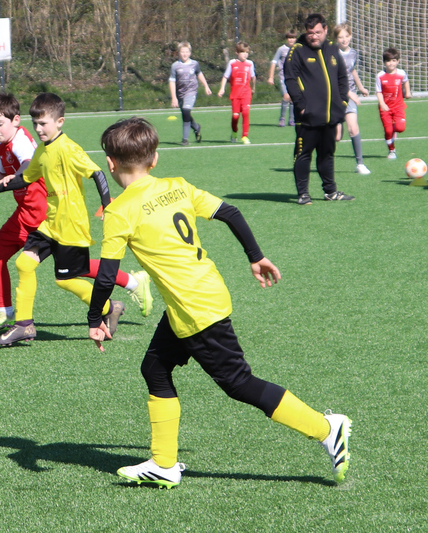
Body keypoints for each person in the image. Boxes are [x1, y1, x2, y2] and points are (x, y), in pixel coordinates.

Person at [88, 116, 352, 488]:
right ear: (155, 158)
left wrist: (95, 317)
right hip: (198, 297)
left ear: (110, 163)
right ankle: (163, 464)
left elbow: (105, 275)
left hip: (195, 309)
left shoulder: (119, 211)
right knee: (155, 368)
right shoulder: (177, 186)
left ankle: (326, 428)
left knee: (238, 383)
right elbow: (230, 212)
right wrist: (256, 256)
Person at [0, 94, 153, 333]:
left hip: (60, 220)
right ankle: (17, 321)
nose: (38, 129)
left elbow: (93, 173)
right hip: (40, 220)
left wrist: (107, 205)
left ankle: (115, 301)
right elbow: (22, 176)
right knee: (18, 261)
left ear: (59, 122)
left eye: (43, 123)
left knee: (69, 276)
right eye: (35, 123)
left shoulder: (52, 146)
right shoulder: (35, 149)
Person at [285, 13, 354, 205]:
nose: (313, 36)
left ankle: (330, 191)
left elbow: (342, 77)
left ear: (325, 29)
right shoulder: (297, 50)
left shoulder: (332, 48)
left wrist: (342, 103)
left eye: (317, 32)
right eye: (310, 33)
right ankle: (303, 194)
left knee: (327, 154)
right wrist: (301, 105)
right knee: (303, 154)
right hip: (308, 116)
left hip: (330, 115)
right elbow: (290, 79)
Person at [334, 24, 371, 174]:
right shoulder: (332, 54)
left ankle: (360, 164)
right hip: (335, 96)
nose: (344, 40)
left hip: (350, 96)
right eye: (340, 37)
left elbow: (352, 70)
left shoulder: (354, 53)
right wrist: (349, 93)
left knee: (353, 128)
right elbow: (333, 78)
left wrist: (360, 87)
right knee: (337, 137)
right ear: (336, 38)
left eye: (346, 36)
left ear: (350, 36)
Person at [169, 41, 212, 146]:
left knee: (186, 111)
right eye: (182, 52)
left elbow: (199, 74)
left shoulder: (194, 64)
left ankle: (185, 139)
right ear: (178, 52)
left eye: (187, 52)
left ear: (190, 52)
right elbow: (172, 81)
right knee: (185, 113)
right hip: (180, 93)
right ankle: (196, 127)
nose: (185, 54)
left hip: (191, 92)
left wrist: (206, 86)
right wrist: (174, 97)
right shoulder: (175, 66)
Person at [375, 47, 412, 160]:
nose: (391, 63)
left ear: (398, 61)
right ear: (384, 62)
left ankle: (393, 131)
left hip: (398, 106)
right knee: (388, 130)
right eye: (388, 61)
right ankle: (392, 150)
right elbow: (378, 91)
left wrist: (408, 92)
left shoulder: (401, 73)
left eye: (394, 60)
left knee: (400, 128)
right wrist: (382, 103)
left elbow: (406, 81)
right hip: (385, 108)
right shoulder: (380, 76)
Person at [217, 41, 256, 144]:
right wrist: (222, 88)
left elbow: (253, 77)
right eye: (243, 52)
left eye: (247, 52)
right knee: (235, 116)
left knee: (246, 113)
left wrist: (253, 88)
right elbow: (225, 77)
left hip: (246, 93)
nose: (245, 54)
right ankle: (234, 132)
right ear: (237, 53)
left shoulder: (250, 64)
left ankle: (245, 136)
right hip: (235, 94)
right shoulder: (232, 63)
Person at [267, 30, 298, 127]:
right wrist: (271, 77)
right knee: (286, 96)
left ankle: (292, 119)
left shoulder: (298, 49)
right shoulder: (281, 49)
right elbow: (273, 62)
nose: (291, 40)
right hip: (283, 77)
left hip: (294, 78)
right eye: (289, 38)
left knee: (292, 98)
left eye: (293, 38)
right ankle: (282, 118)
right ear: (286, 39)